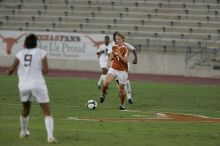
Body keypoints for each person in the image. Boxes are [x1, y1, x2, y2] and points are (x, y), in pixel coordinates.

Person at [6, 34, 57, 144]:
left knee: (25, 109)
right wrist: (37, 72)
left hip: (24, 86)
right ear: (35, 43)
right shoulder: (41, 52)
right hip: (37, 84)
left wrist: (9, 72)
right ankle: (50, 136)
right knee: (47, 112)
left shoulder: (20, 54)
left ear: (25, 43)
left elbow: (11, 69)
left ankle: (23, 132)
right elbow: (46, 70)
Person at [99, 33, 129, 110]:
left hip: (122, 72)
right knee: (105, 83)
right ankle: (103, 94)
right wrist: (108, 62)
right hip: (113, 69)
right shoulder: (114, 47)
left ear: (123, 39)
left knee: (121, 90)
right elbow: (112, 55)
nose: (117, 40)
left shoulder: (125, 49)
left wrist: (120, 55)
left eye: (119, 39)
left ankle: (122, 104)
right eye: (116, 39)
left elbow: (126, 61)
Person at [109, 31, 138, 104]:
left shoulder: (124, 45)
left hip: (124, 65)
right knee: (118, 82)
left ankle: (129, 97)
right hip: (114, 66)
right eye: (115, 37)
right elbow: (110, 55)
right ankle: (123, 93)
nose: (116, 39)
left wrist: (135, 58)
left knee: (126, 80)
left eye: (118, 37)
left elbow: (133, 49)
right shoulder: (112, 46)